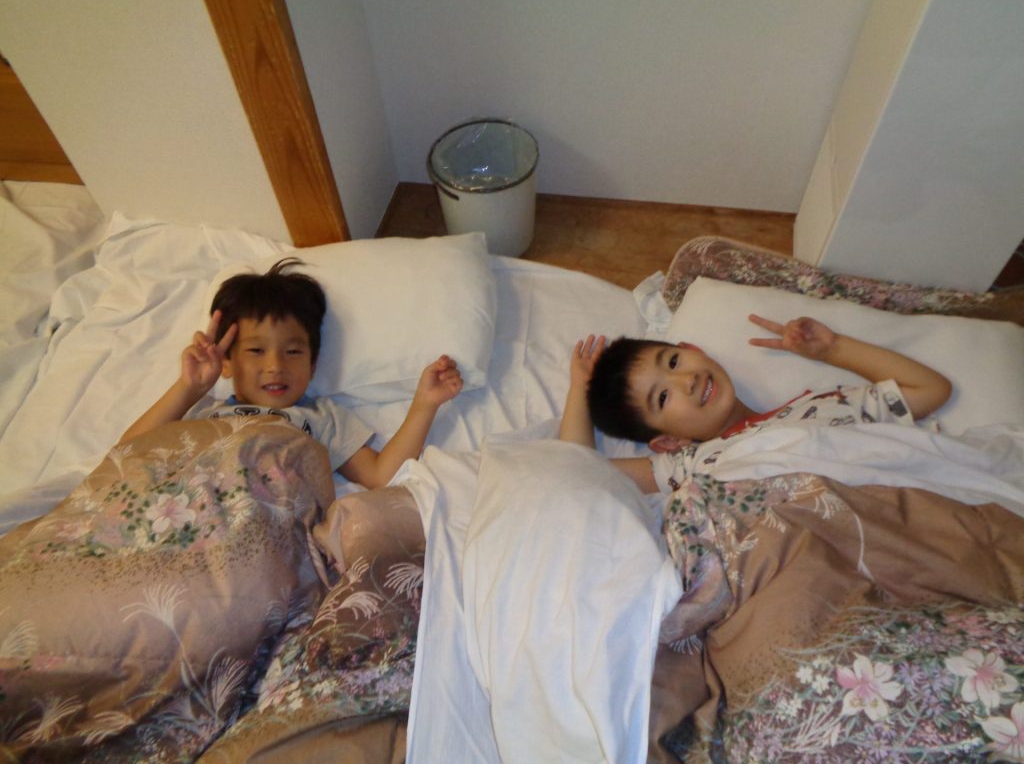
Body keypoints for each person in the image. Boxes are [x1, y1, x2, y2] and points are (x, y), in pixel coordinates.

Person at [119, 258, 463, 489]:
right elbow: (127, 456)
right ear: (226, 361)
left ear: (312, 365)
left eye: (293, 351)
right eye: (256, 351)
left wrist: (424, 404)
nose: (276, 366)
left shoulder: (321, 418)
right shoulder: (205, 413)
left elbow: (380, 476)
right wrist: (188, 388)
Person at [559, 313, 952, 494]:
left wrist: (833, 349)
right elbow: (572, 473)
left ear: (694, 349)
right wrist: (580, 388)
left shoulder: (823, 406)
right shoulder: (689, 466)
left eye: (674, 362)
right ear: (669, 442)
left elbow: (930, 390)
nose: (686, 380)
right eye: (662, 397)